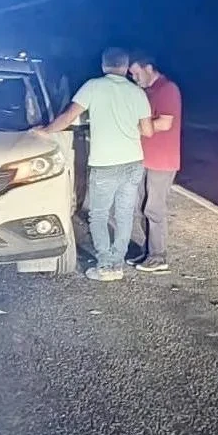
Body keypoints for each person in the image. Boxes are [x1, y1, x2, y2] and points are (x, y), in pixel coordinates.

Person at [36, 48, 152, 281]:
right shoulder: (137, 92)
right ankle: (117, 263)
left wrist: (45, 131)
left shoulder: (93, 86)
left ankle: (106, 266)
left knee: (98, 215)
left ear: (103, 65)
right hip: (133, 161)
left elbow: (69, 117)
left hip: (105, 163)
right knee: (124, 214)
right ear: (125, 66)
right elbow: (147, 131)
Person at [126, 52, 182, 272]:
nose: (134, 79)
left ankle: (158, 257)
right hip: (144, 159)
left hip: (162, 160)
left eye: (136, 73)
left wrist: (130, 128)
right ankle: (148, 251)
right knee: (140, 207)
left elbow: (165, 123)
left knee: (154, 209)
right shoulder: (145, 91)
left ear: (149, 68)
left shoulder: (168, 89)